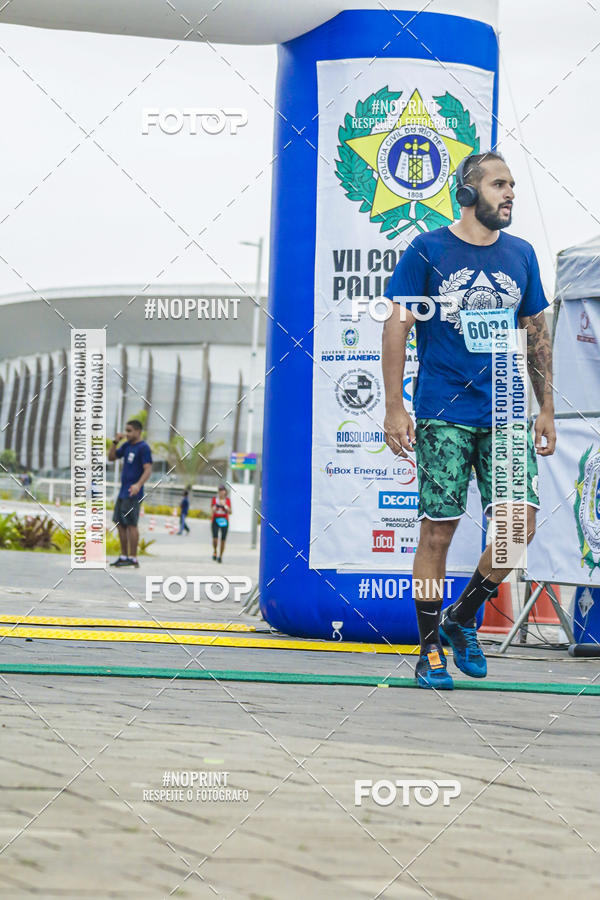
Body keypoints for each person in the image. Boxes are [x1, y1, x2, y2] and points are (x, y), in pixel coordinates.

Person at [382, 151, 556, 690]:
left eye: (512, 186)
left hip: (504, 410)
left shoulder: (522, 253)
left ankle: (462, 617)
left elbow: (536, 331)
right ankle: (429, 648)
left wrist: (544, 405)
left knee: (516, 528)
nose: (509, 194)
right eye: (499, 184)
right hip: (443, 411)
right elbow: (397, 324)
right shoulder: (427, 249)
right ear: (467, 192)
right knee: (438, 533)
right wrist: (394, 405)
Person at [108, 419, 153, 568]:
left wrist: (138, 485)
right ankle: (123, 556)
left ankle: (133, 558)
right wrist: (115, 442)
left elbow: (148, 469)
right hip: (122, 492)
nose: (126, 433)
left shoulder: (143, 448)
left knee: (132, 525)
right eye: (125, 430)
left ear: (138, 431)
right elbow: (111, 457)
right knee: (120, 524)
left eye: (129, 431)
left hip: (133, 493)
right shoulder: (126, 446)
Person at [211, 483, 232, 562]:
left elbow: (230, 512)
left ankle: (220, 556)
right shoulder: (214, 499)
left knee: (223, 540)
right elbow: (212, 510)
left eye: (222, 490)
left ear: (225, 492)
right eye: (219, 490)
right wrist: (217, 505)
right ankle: (215, 551)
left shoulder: (227, 500)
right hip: (216, 520)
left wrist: (225, 506)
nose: (221, 492)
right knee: (215, 538)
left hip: (224, 521)